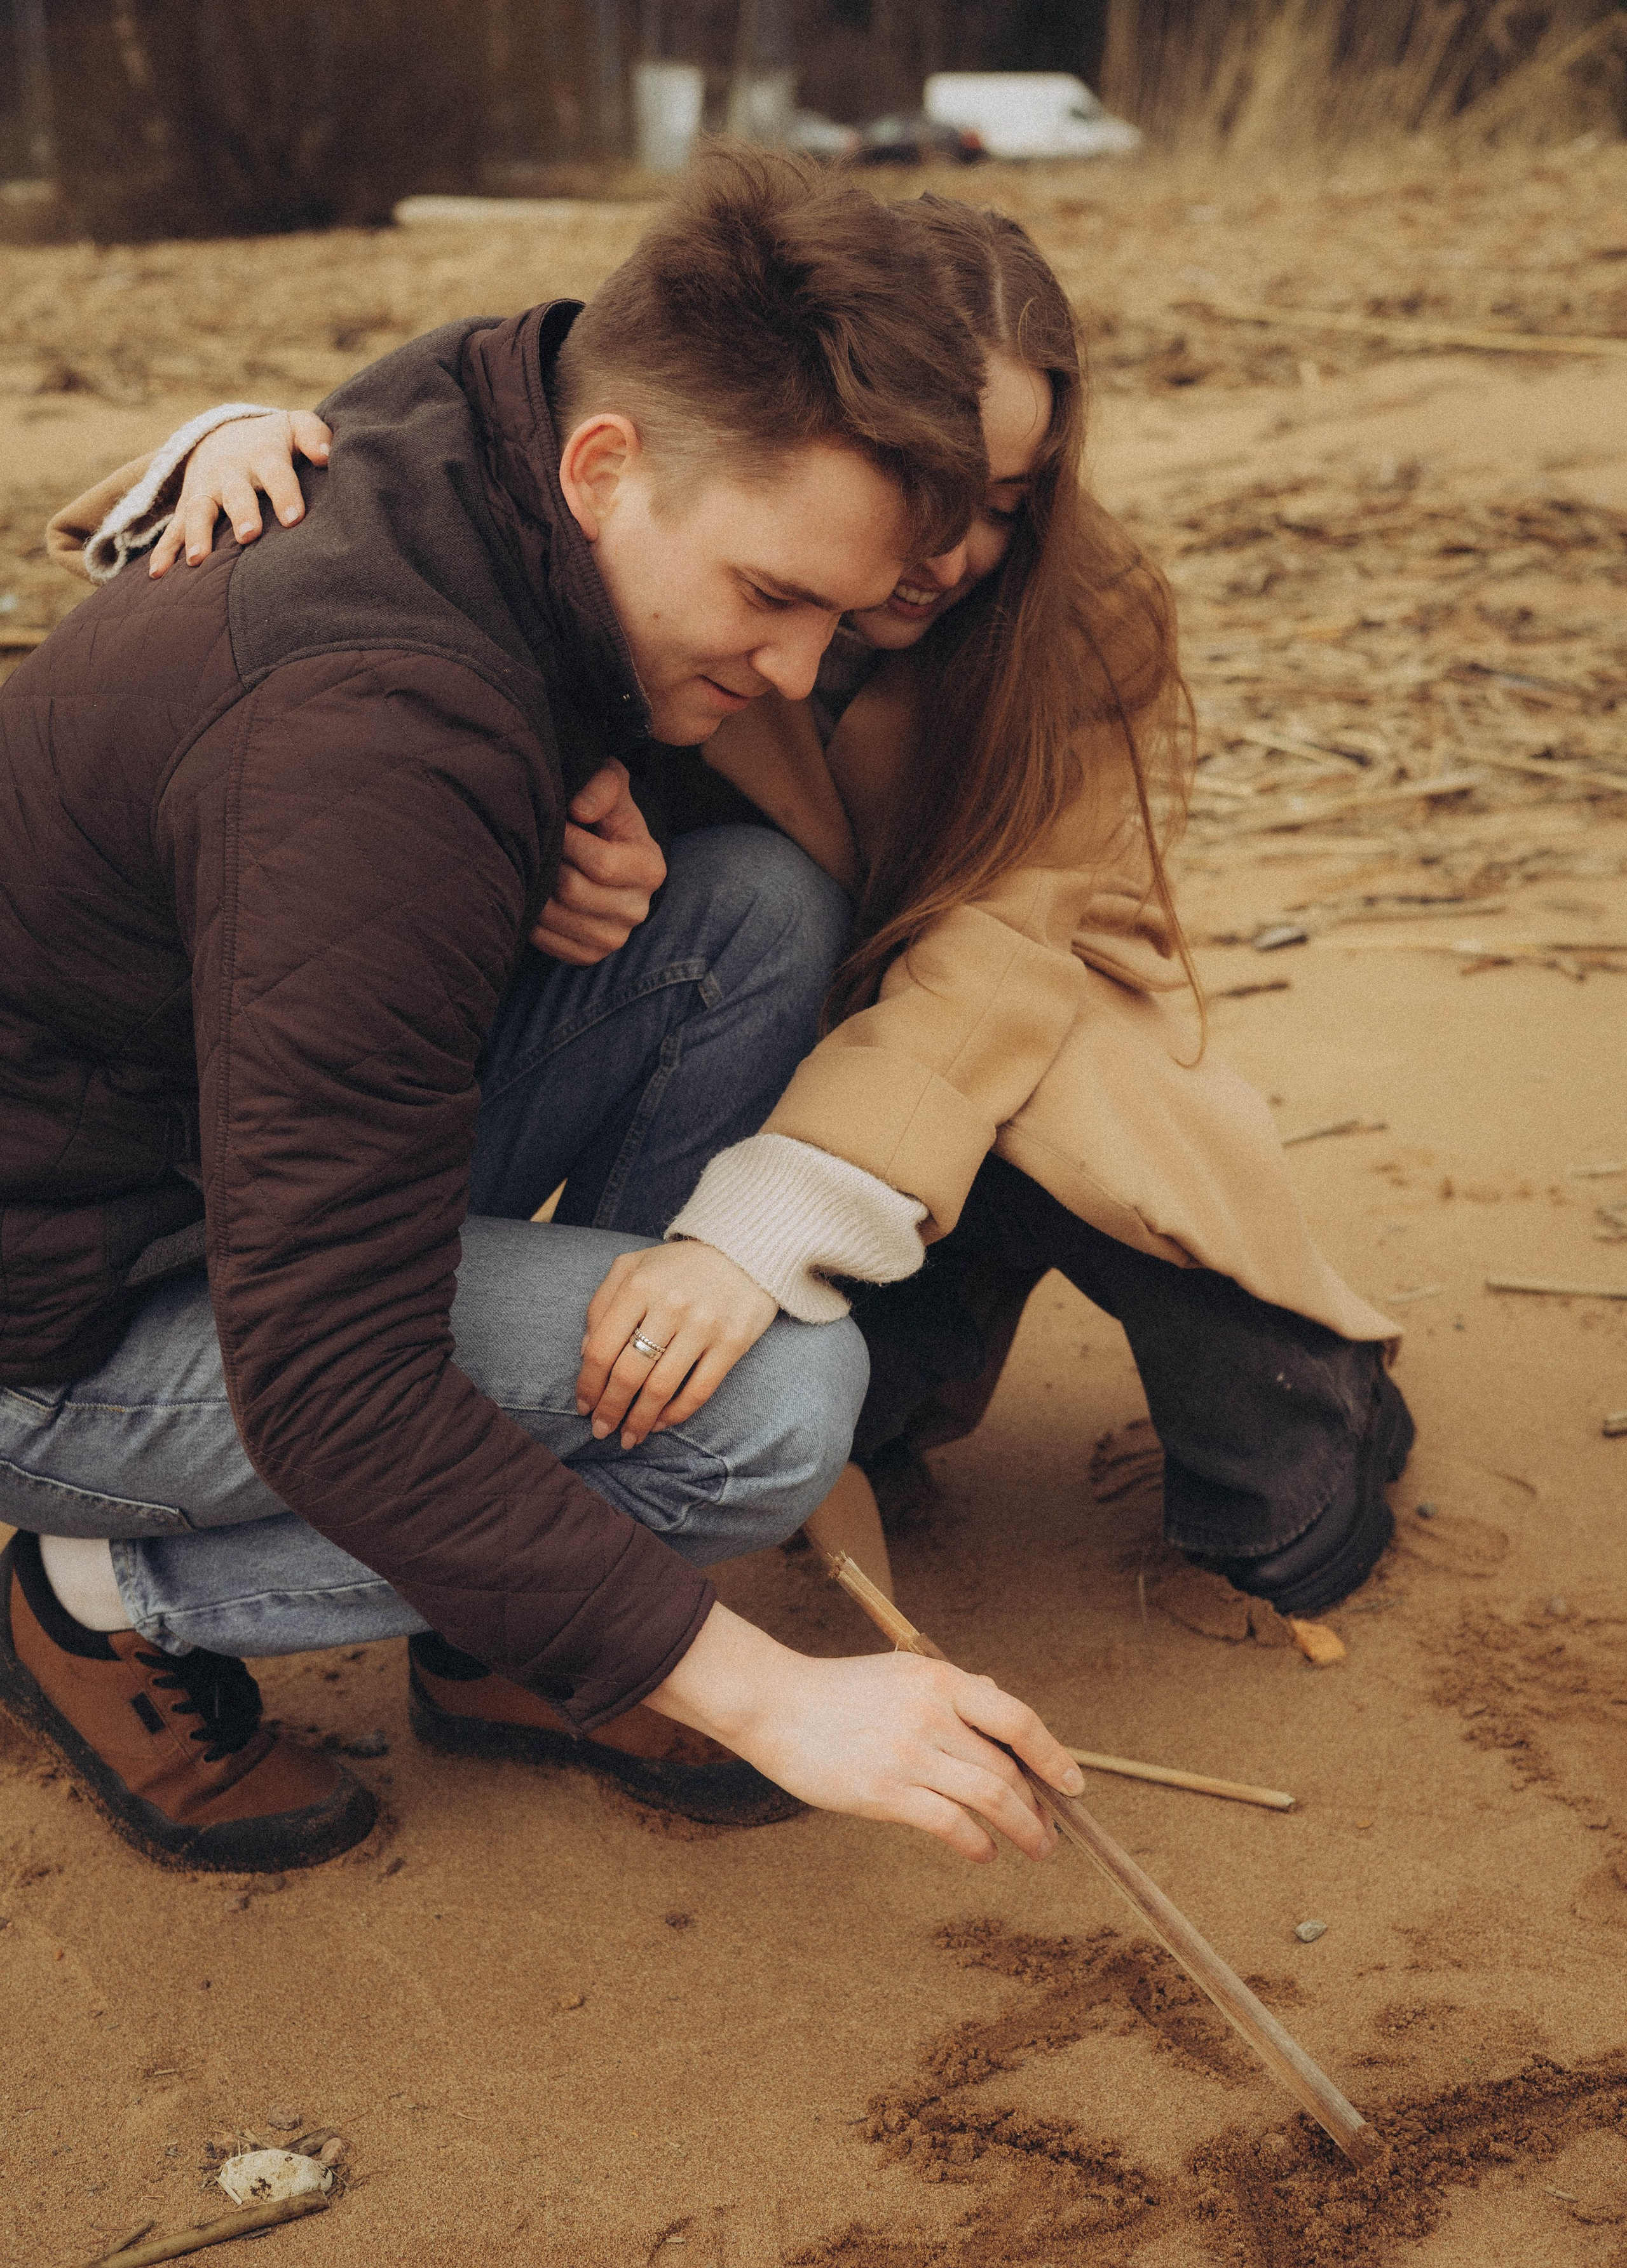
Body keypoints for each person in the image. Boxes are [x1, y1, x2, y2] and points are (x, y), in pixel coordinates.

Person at [62, 197, 1411, 1629]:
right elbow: (451, 477)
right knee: (810, 1373)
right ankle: (662, 1475)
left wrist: (756, 1232)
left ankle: (1296, 1393)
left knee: (1097, 1149)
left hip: (996, 1003)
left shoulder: (1086, 617)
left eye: (1007, 500)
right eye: (924, 477)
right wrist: (246, 442)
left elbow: (998, 955)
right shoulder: (698, 503)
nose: (945, 546)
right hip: (767, 999)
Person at [0, 148, 1090, 1877]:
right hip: (58, 1320)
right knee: (772, 1412)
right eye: (771, 598)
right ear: (607, 468)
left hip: (206, 1148)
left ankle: (505, 1620)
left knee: (742, 918)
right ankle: (96, 1588)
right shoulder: (377, 749)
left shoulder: (496, 393)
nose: (798, 672)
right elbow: (333, 1378)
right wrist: (764, 1693)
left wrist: (576, 783)